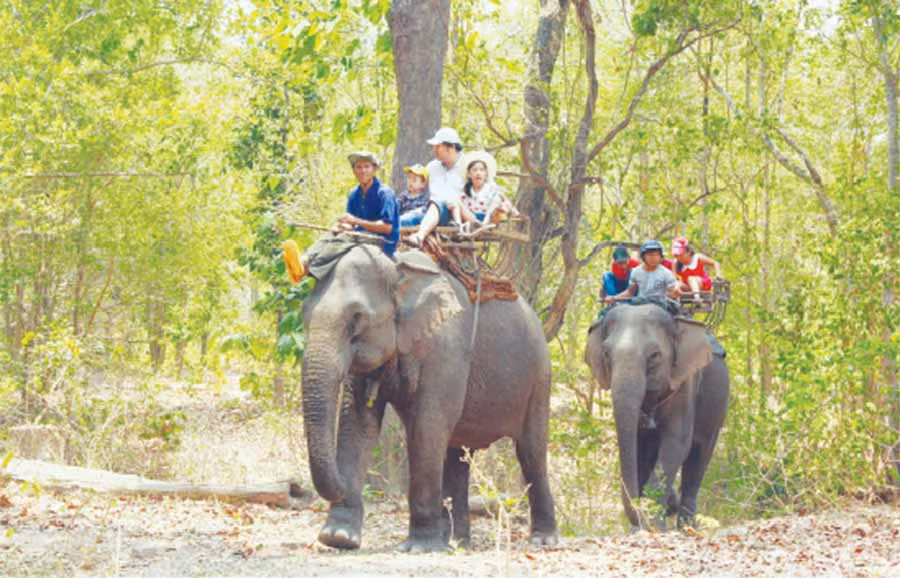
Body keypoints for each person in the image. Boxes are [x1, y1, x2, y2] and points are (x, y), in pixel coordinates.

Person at [283, 151, 398, 282]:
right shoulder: (354, 194)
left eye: (367, 167)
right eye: (359, 167)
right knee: (334, 232)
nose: (363, 171)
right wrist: (344, 225)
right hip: (361, 234)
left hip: (384, 241)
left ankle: (311, 268)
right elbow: (352, 223)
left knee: (344, 238)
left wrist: (355, 221)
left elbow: (387, 227)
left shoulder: (385, 193)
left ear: (374, 169)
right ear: (354, 171)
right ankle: (304, 261)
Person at [406, 127, 465, 246]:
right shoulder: (431, 167)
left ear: (451, 147)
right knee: (402, 221)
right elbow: (421, 190)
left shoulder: (469, 166)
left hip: (455, 214)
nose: (434, 150)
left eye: (438, 146)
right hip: (430, 213)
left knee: (438, 202)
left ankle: (419, 236)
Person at [458, 150, 520, 227]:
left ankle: (483, 225)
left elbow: (504, 203)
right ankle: (476, 224)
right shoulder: (464, 190)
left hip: (489, 218)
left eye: (481, 170)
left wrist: (506, 207)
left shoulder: (492, 188)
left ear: (486, 173)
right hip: (471, 219)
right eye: (475, 170)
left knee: (498, 198)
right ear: (469, 174)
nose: (478, 173)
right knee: (457, 202)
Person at [605, 240, 680, 304]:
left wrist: (675, 292)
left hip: (660, 303)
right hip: (640, 302)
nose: (653, 258)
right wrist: (614, 298)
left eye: (656, 255)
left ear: (661, 257)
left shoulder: (666, 273)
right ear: (643, 257)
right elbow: (629, 292)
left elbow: (673, 290)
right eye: (650, 255)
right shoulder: (636, 272)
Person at [671, 237, 723, 301]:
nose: (679, 258)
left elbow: (715, 263)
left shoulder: (698, 258)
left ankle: (697, 299)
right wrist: (676, 287)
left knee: (691, 278)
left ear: (688, 252)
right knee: (676, 284)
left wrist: (718, 275)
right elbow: (674, 280)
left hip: (702, 284)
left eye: (681, 255)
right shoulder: (675, 263)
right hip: (688, 287)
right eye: (677, 255)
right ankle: (675, 301)